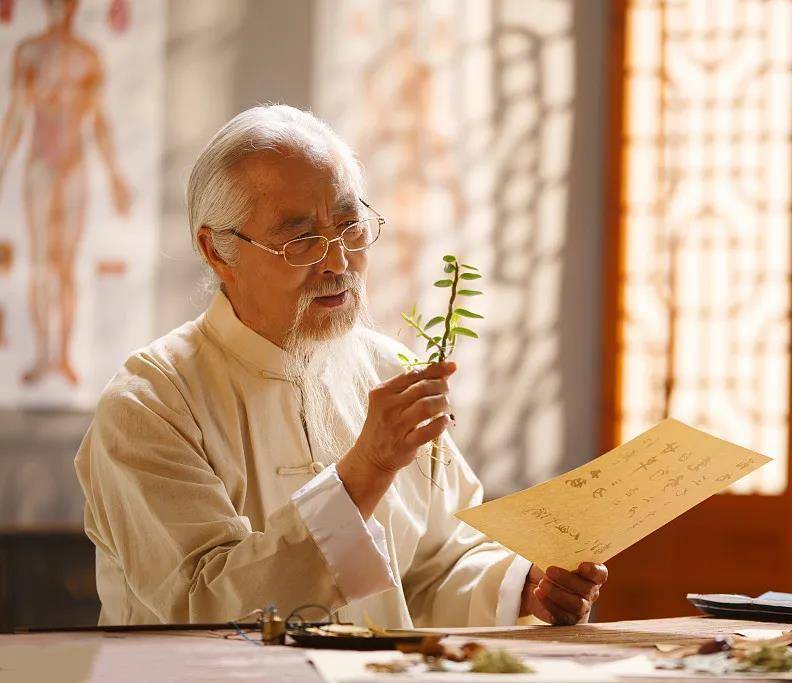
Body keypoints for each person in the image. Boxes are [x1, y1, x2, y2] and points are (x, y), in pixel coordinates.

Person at [74, 105, 608, 627]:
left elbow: (434, 566)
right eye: (301, 239)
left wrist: (522, 589)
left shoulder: (389, 370)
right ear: (217, 251)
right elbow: (201, 605)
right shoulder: (151, 403)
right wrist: (365, 471)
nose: (337, 261)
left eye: (350, 226)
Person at [0, 0, 131, 386]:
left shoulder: (87, 56)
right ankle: (44, 355)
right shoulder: (29, 52)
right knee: (42, 262)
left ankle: (63, 356)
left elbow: (100, 121)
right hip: (40, 166)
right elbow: (15, 116)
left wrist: (115, 177)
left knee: (67, 265)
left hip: (75, 167)